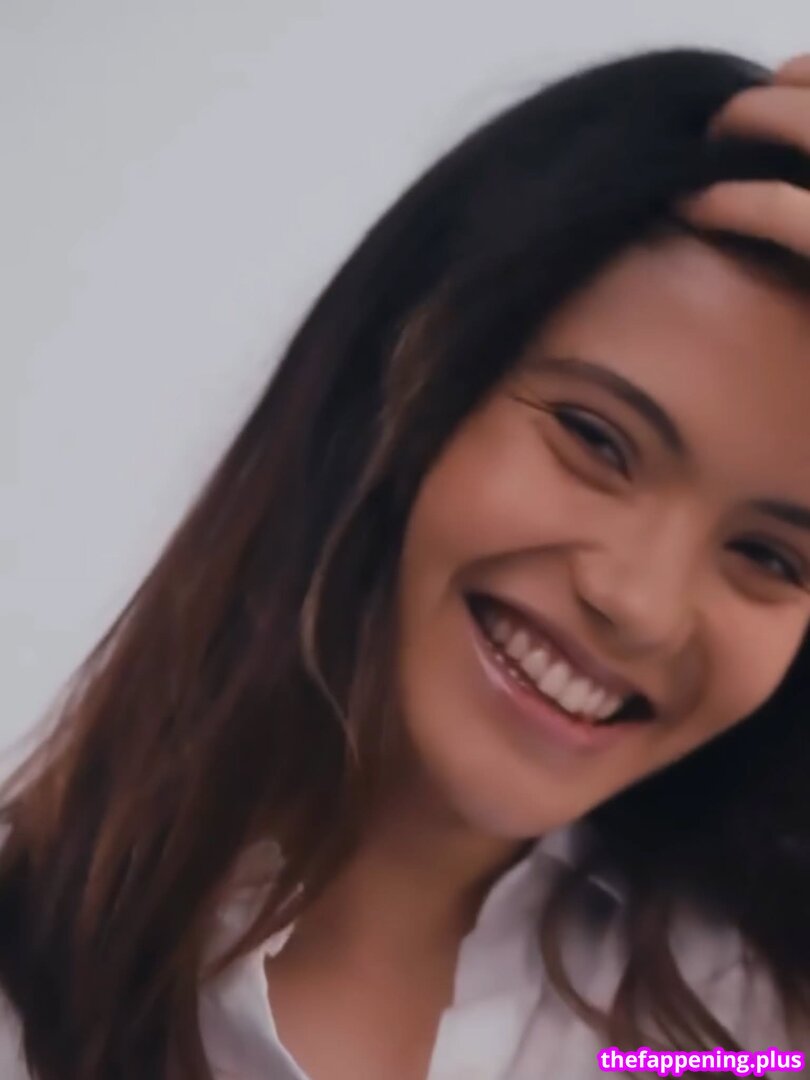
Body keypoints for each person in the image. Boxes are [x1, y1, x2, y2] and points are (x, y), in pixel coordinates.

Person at [1, 43, 809, 1080]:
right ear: (404, 380)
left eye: (770, 555)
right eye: (595, 439)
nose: (641, 604)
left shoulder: (751, 1030)